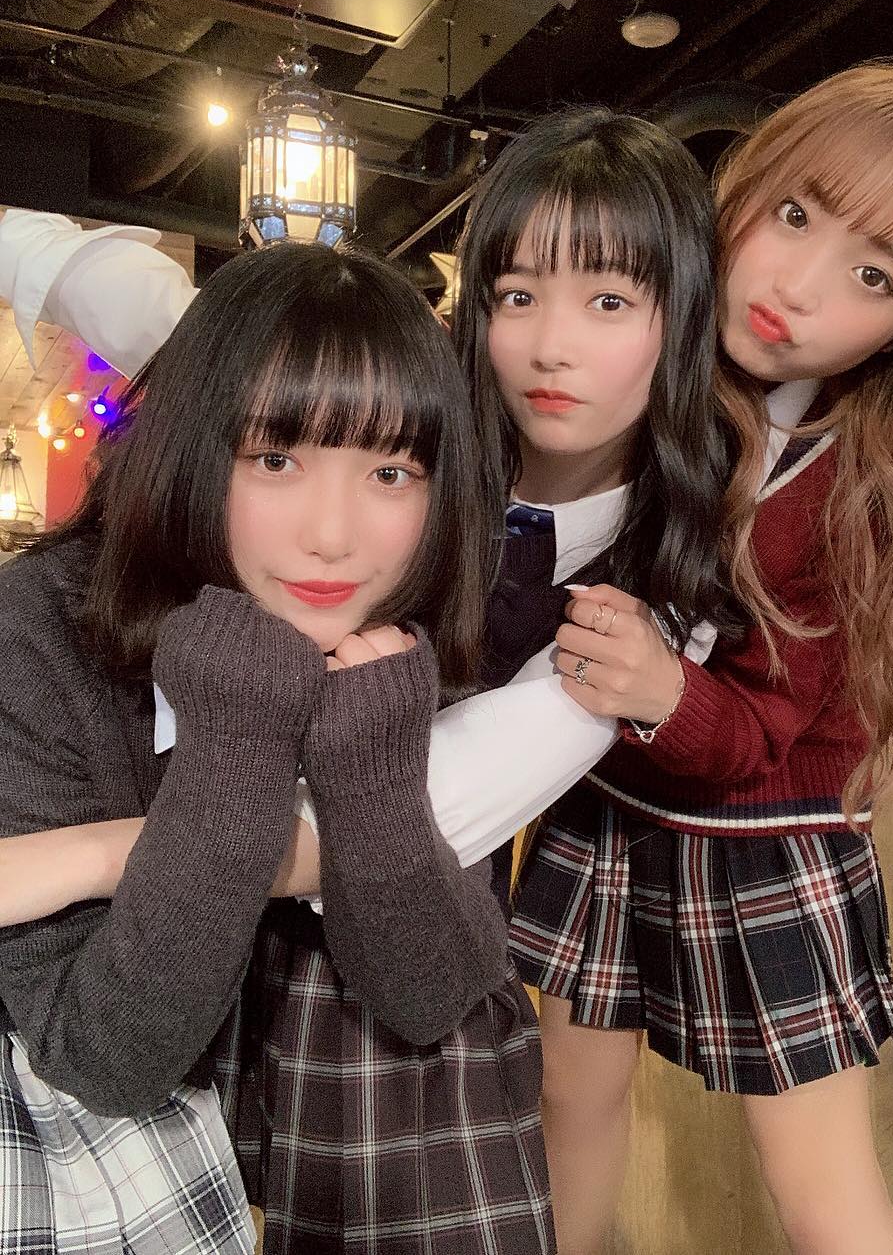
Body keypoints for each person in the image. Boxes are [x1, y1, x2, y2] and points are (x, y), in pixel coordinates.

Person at [509, 61, 893, 1254]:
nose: (798, 288)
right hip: (607, 801)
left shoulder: (868, 483)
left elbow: (765, 737)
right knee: (566, 1100)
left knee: (819, 1181)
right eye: (795, 214)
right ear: (746, 180)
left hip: (764, 832)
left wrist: (664, 692)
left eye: (874, 276)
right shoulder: (661, 364)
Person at [0, 239, 553, 1255]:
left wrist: (371, 778)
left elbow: (433, 995)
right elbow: (106, 1058)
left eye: (391, 471)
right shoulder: (42, 629)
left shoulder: (398, 625)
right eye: (275, 460)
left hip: (332, 1114)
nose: (332, 537)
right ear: (190, 450)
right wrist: (237, 742)